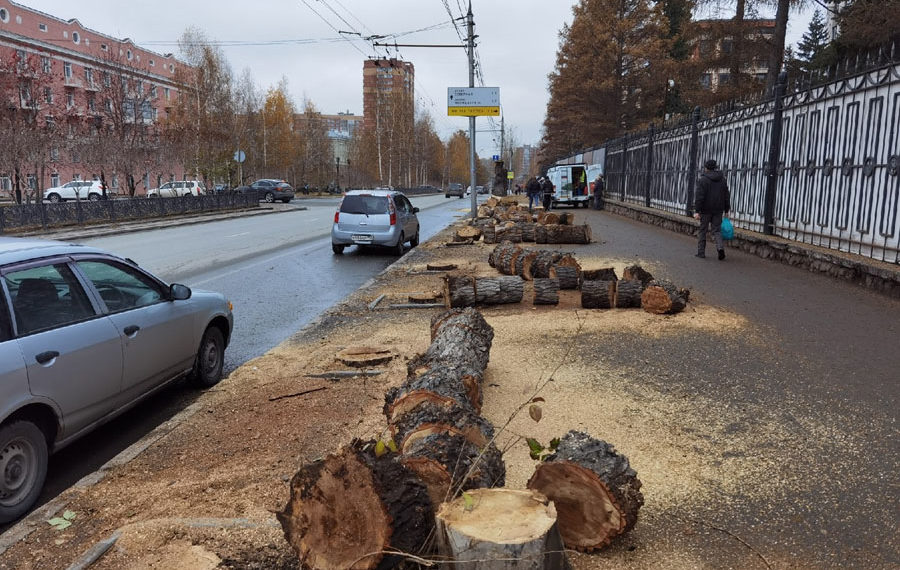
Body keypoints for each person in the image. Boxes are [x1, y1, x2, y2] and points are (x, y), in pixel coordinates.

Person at [693, 159, 731, 260]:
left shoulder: (703, 180)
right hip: (718, 209)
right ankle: (720, 248)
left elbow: (699, 197)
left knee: (703, 231)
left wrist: (697, 211)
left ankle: (701, 252)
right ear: (715, 167)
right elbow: (726, 195)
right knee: (717, 230)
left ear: (706, 168)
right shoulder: (722, 180)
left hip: (705, 210)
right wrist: (727, 210)